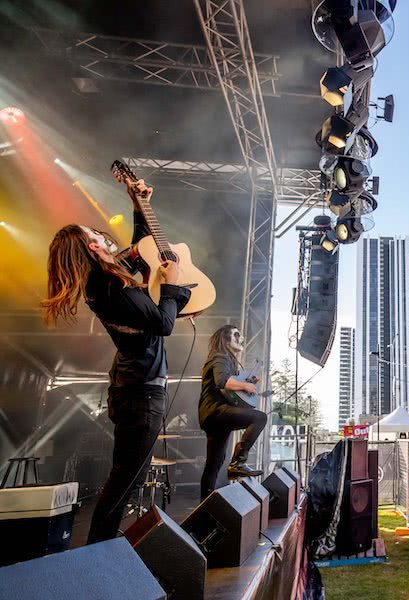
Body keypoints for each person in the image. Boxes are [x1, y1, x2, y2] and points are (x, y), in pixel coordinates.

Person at [42, 180, 192, 543]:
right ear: (94, 246)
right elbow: (162, 323)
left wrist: (139, 205)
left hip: (138, 389)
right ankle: (97, 553)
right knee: (125, 480)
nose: (103, 233)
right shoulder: (107, 286)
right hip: (139, 394)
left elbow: (144, 251)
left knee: (130, 478)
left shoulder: (110, 277)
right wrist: (171, 286)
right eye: (95, 233)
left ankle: (102, 551)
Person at [198, 325, 269, 499]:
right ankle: (238, 463)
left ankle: (204, 507)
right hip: (216, 412)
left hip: (212, 414)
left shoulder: (225, 360)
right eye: (236, 334)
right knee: (259, 418)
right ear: (225, 339)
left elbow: (229, 388)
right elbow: (223, 381)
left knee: (214, 463)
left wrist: (247, 383)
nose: (241, 338)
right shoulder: (220, 357)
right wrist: (246, 385)